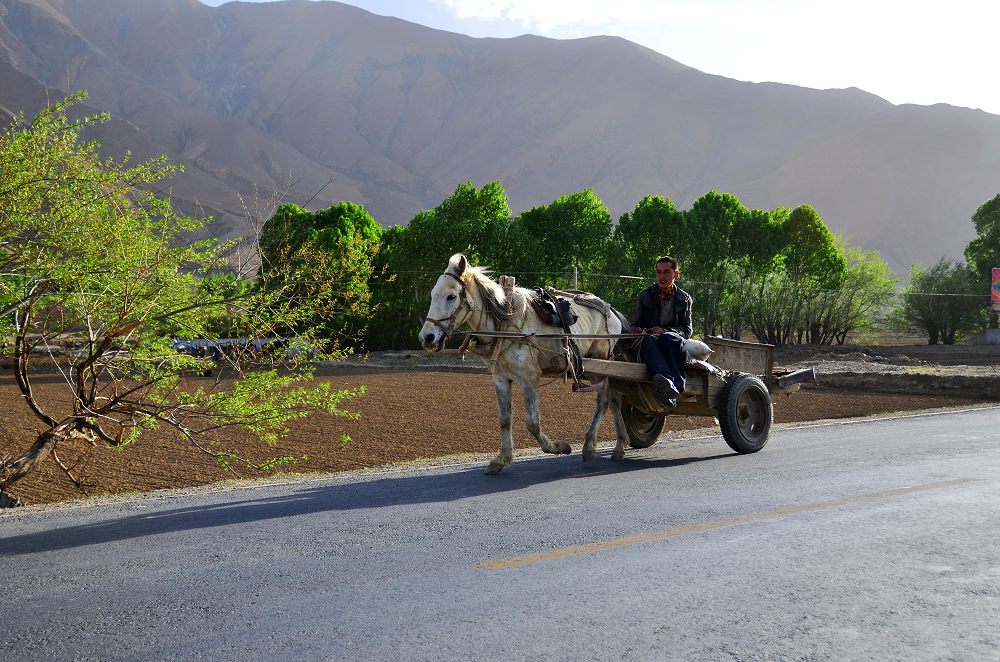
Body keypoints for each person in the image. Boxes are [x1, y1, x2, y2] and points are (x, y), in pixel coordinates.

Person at [630, 255, 693, 406]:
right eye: (659, 272)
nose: (662, 276)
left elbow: (686, 329)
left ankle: (676, 386)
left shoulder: (684, 299)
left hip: (672, 340)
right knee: (648, 340)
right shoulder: (645, 296)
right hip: (651, 339)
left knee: (668, 338)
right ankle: (666, 382)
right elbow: (636, 324)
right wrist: (637, 329)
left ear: (676, 274)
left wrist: (665, 331)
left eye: (666, 272)